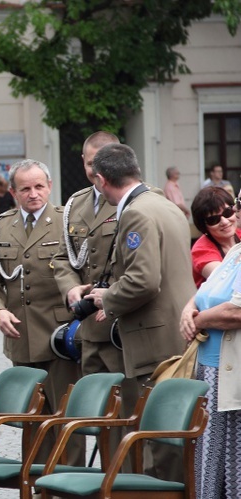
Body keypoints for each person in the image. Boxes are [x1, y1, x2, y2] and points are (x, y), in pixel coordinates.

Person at [84, 143, 194, 482]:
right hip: (177, 333)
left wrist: (107, 297)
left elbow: (144, 281)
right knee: (175, 436)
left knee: (160, 445)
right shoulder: (162, 204)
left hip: (155, 342)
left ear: (101, 180)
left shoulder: (136, 212)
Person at [0, 159, 84, 466]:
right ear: (12, 191)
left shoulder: (68, 222)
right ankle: (36, 483)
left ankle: (70, 482)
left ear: (50, 186)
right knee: (31, 418)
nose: (33, 194)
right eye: (25, 188)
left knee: (66, 416)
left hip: (59, 338)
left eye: (39, 186)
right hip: (20, 336)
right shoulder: (2, 226)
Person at [180, 238, 241, 499]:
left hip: (234, 376)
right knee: (209, 462)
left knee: (234, 463)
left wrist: (198, 321)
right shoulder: (236, 251)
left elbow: (236, 312)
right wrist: (188, 310)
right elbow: (204, 291)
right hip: (209, 374)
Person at [190, 187, 241, 287]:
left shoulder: (239, 233)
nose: (225, 222)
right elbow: (226, 280)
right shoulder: (202, 250)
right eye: (213, 220)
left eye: (227, 213)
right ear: (203, 226)